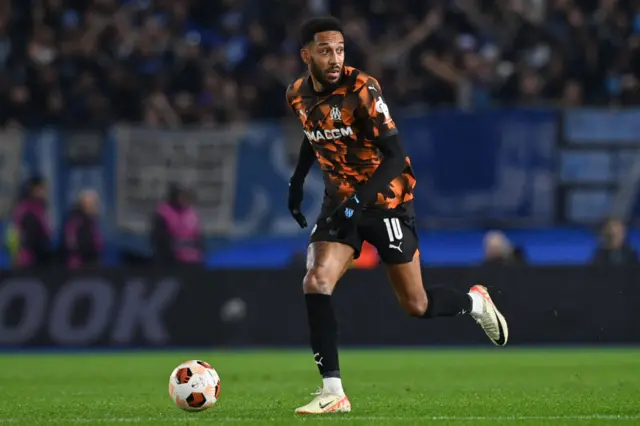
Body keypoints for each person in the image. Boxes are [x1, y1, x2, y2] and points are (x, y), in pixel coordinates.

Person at [285, 17, 509, 415]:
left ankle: (475, 303)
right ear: (306, 56)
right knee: (316, 280)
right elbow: (311, 132)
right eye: (324, 50)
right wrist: (298, 181)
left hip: (386, 200)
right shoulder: (297, 94)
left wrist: (358, 205)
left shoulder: (363, 89)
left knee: (416, 304)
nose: (335, 58)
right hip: (339, 202)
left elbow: (394, 156)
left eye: (339, 49)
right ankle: (333, 391)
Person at [150, 183, 204, 265]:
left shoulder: (192, 214)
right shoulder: (163, 213)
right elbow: (159, 240)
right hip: (171, 261)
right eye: (181, 195)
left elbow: (199, 238)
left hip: (193, 261)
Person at [62, 189, 102, 269]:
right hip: (78, 266)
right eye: (91, 203)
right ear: (83, 204)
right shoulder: (75, 221)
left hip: (91, 265)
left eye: (95, 203)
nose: (95, 206)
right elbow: (71, 244)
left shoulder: (91, 221)